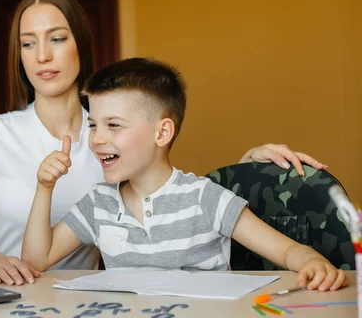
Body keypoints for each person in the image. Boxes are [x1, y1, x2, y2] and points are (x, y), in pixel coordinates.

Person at [0, 0, 328, 286]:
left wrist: (248, 169)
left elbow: (171, 189)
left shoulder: (118, 127)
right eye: (28, 43)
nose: (42, 55)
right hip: (17, 295)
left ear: (80, 45)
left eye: (56, 38)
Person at [22, 57, 347, 292]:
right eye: (93, 125)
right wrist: (44, 186)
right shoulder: (98, 204)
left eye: (114, 125)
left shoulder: (205, 198)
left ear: (162, 133)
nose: (96, 139)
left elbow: (288, 250)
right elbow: (36, 260)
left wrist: (312, 264)